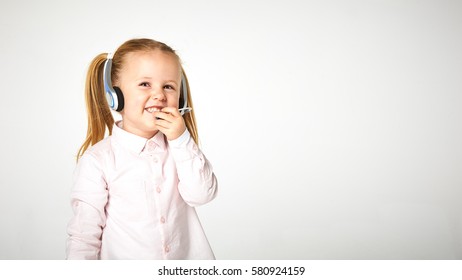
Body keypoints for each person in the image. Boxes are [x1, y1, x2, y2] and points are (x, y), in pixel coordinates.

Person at [66, 38, 218, 260]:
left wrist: (181, 139)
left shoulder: (181, 150)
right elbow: (84, 237)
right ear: (114, 94)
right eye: (145, 84)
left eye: (168, 86)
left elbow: (202, 195)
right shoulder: (98, 160)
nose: (159, 95)